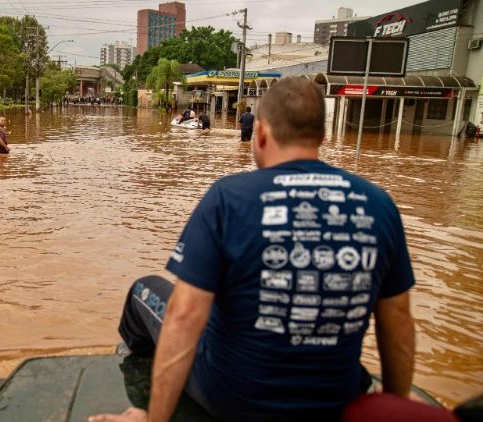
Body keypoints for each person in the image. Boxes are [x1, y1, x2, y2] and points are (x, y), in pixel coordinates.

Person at [90, 78, 416, 422]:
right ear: (321, 136)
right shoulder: (379, 204)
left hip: (231, 398)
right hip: (337, 400)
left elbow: (184, 316)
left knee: (144, 290)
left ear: (259, 133)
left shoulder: (229, 197)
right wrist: (393, 408)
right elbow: (397, 322)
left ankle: (135, 364)